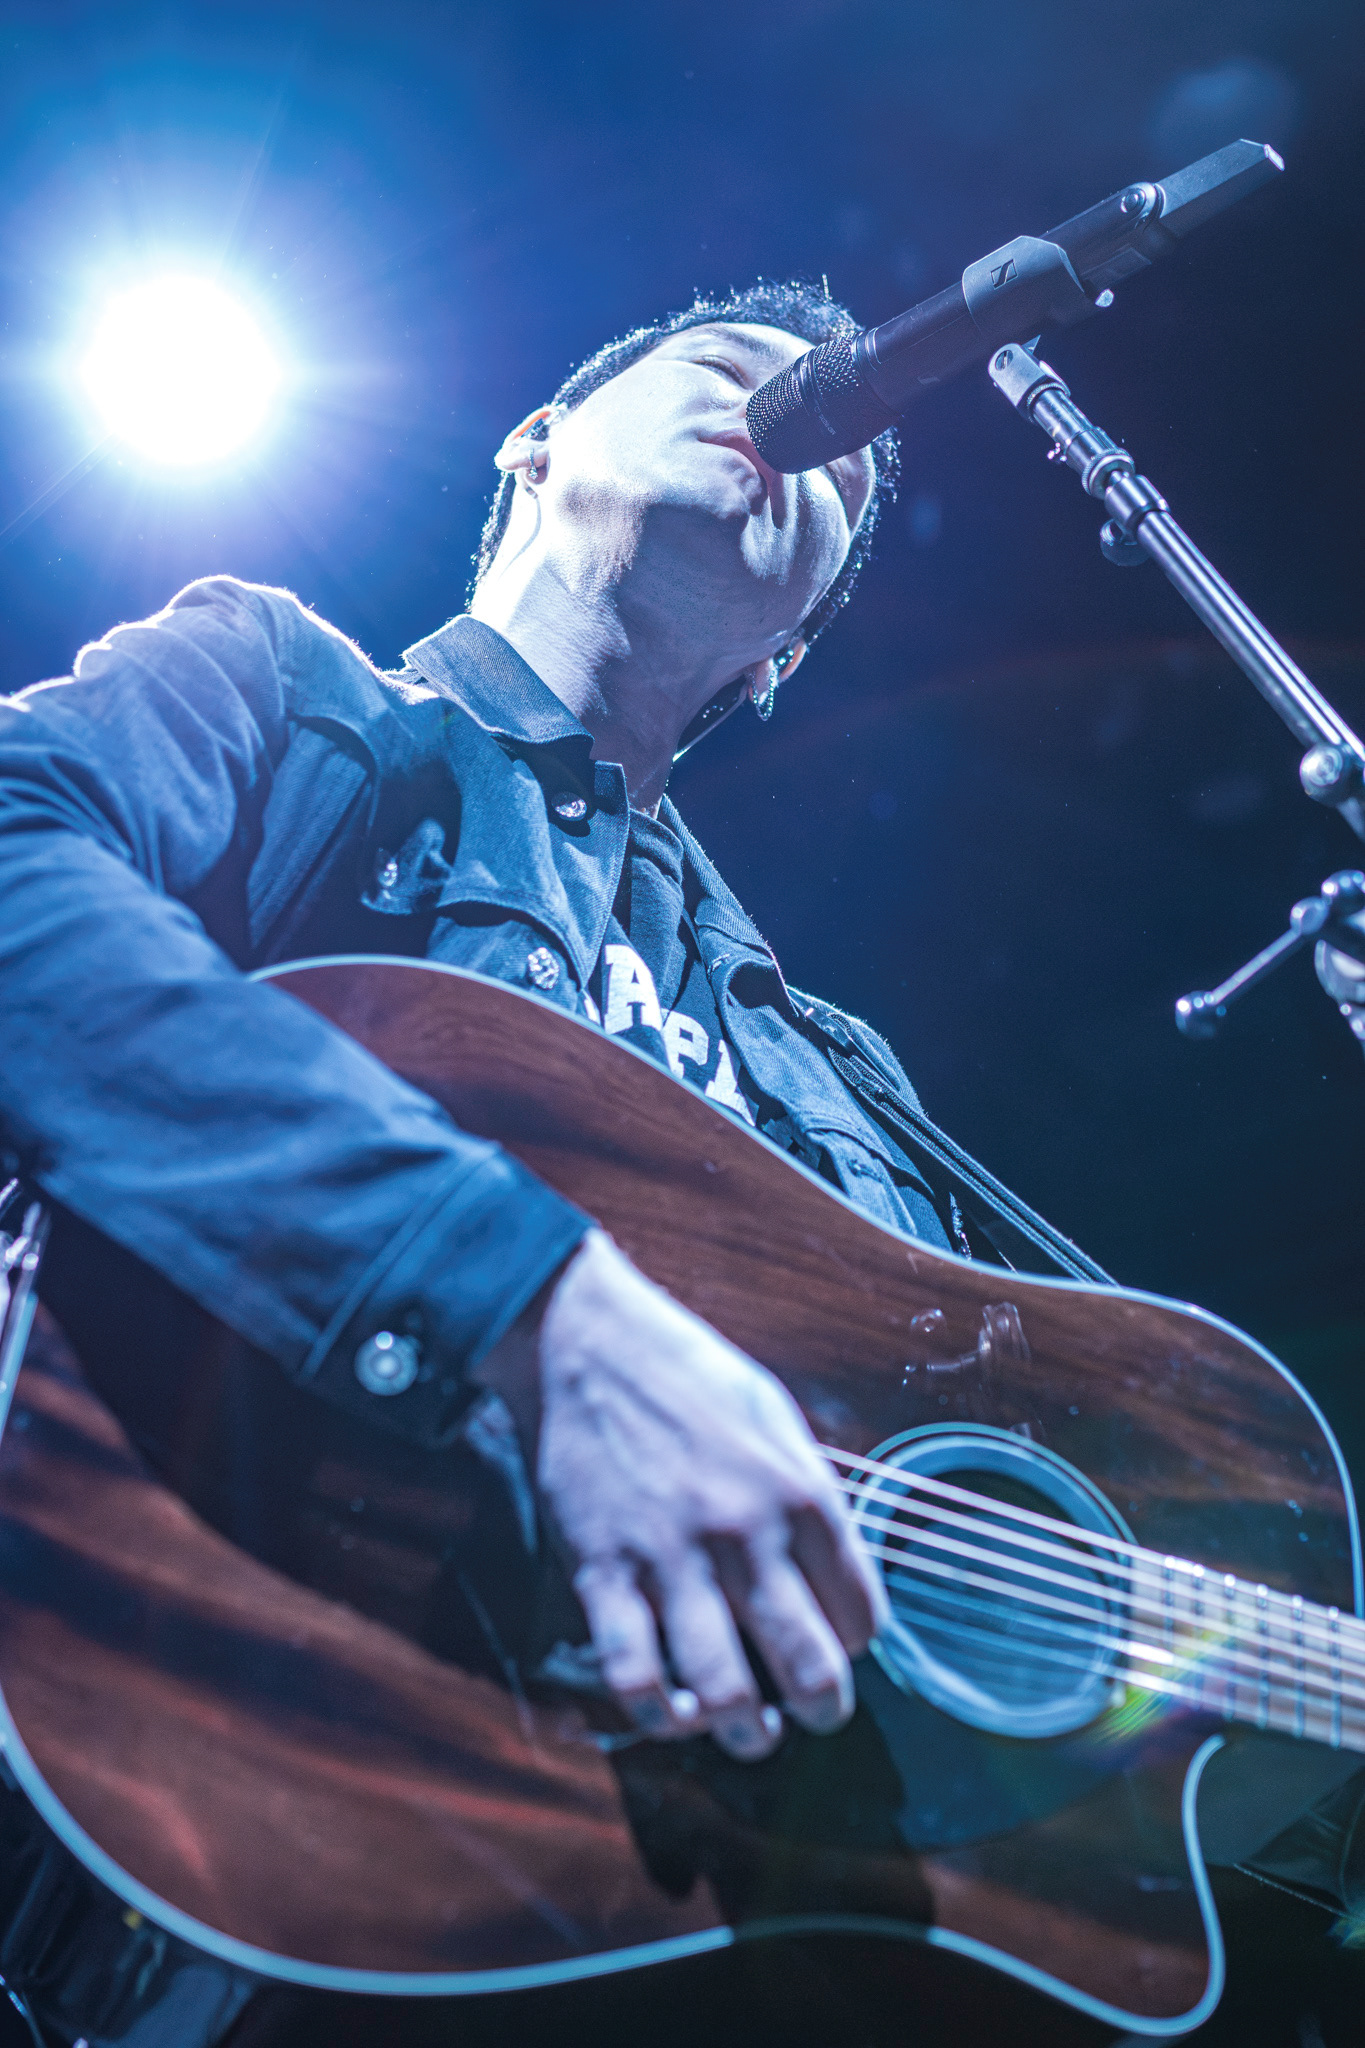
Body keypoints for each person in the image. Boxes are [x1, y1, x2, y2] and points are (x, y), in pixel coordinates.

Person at [0, 278, 1360, 2047]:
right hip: (284, 1844)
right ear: (534, 444)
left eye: (852, 471)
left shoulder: (838, 1080)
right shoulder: (294, 696)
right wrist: (533, 1307)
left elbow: (1083, 1581)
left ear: (778, 660)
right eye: (730, 368)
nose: (812, 419)